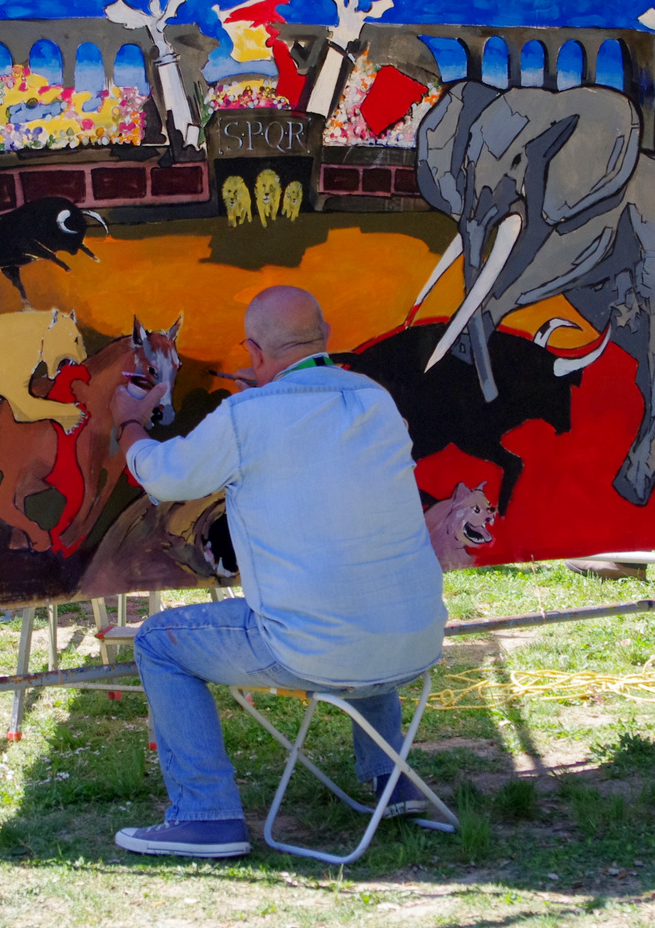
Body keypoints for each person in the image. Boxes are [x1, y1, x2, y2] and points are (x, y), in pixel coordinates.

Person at [107, 286, 448, 858]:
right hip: (415, 641)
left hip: (315, 650)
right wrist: (259, 404)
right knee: (356, 579)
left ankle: (206, 816)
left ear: (254, 352)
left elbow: (166, 477)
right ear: (325, 338)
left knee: (158, 643)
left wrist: (130, 426)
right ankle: (389, 780)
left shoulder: (248, 416)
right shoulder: (375, 399)